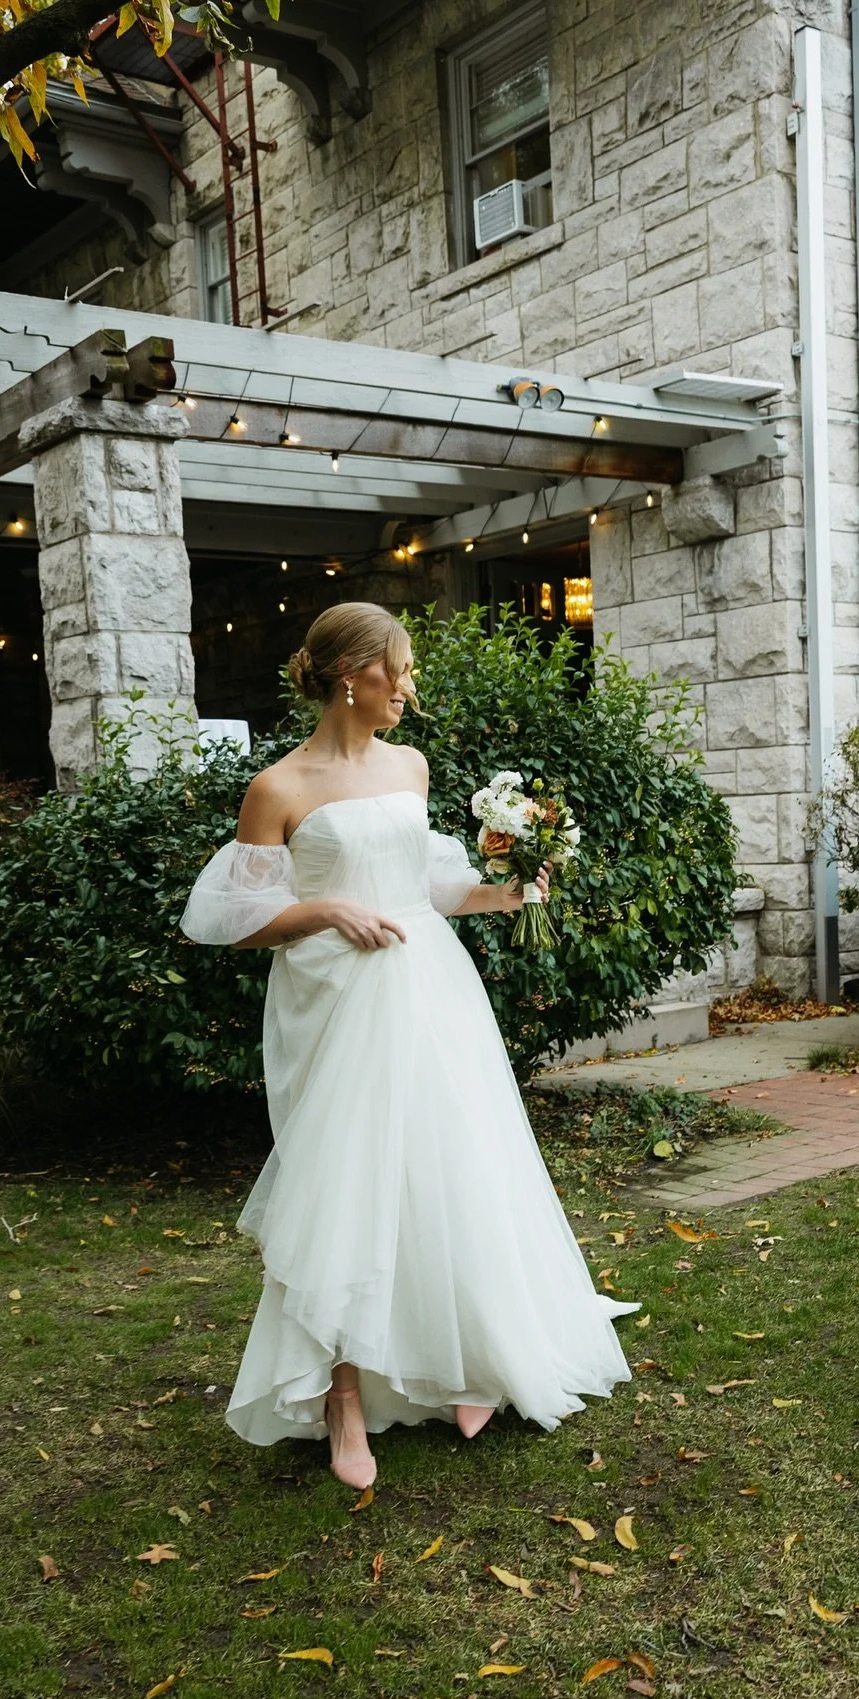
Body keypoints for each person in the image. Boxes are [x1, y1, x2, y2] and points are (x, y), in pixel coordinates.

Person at [179, 601, 636, 1490]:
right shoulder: (278, 788)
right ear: (352, 674)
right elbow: (232, 921)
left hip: (429, 984)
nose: (409, 688)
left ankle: (472, 1358)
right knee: (348, 1184)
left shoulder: (411, 766)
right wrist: (322, 909)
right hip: (335, 1000)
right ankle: (342, 1396)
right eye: (400, 670)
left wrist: (507, 892)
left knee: (451, 1162)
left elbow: (427, 881)